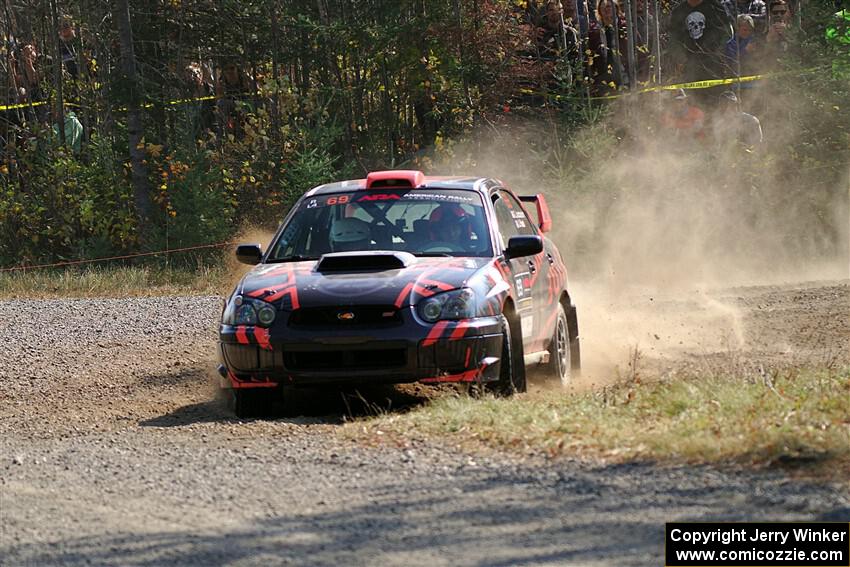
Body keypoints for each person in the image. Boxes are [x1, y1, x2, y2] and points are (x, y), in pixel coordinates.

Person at [667, 0, 732, 84]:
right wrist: (680, 58)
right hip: (688, 63)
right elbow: (674, 38)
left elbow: (726, 33)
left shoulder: (716, 8)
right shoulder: (678, 12)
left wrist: (720, 53)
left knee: (715, 92)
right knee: (691, 94)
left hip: (713, 62)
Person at [588, 0, 630, 93]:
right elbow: (590, 57)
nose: (606, 10)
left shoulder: (626, 28)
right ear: (599, 11)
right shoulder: (594, 32)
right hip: (603, 79)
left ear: (615, 8)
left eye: (608, 7)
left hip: (625, 76)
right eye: (602, 8)